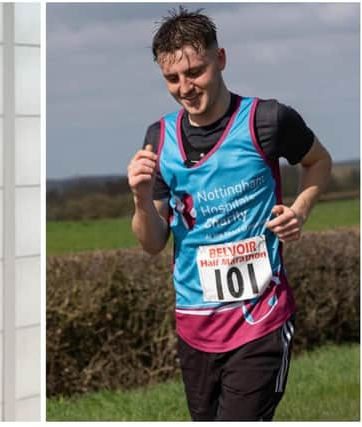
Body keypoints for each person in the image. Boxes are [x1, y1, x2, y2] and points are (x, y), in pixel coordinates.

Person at [127, 7, 332, 421]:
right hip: (195, 327)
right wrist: (139, 197)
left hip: (261, 320)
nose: (185, 87)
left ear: (220, 59)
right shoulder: (159, 138)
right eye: (172, 78)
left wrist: (300, 209)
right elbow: (152, 243)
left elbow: (318, 162)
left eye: (195, 72)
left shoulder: (267, 120)